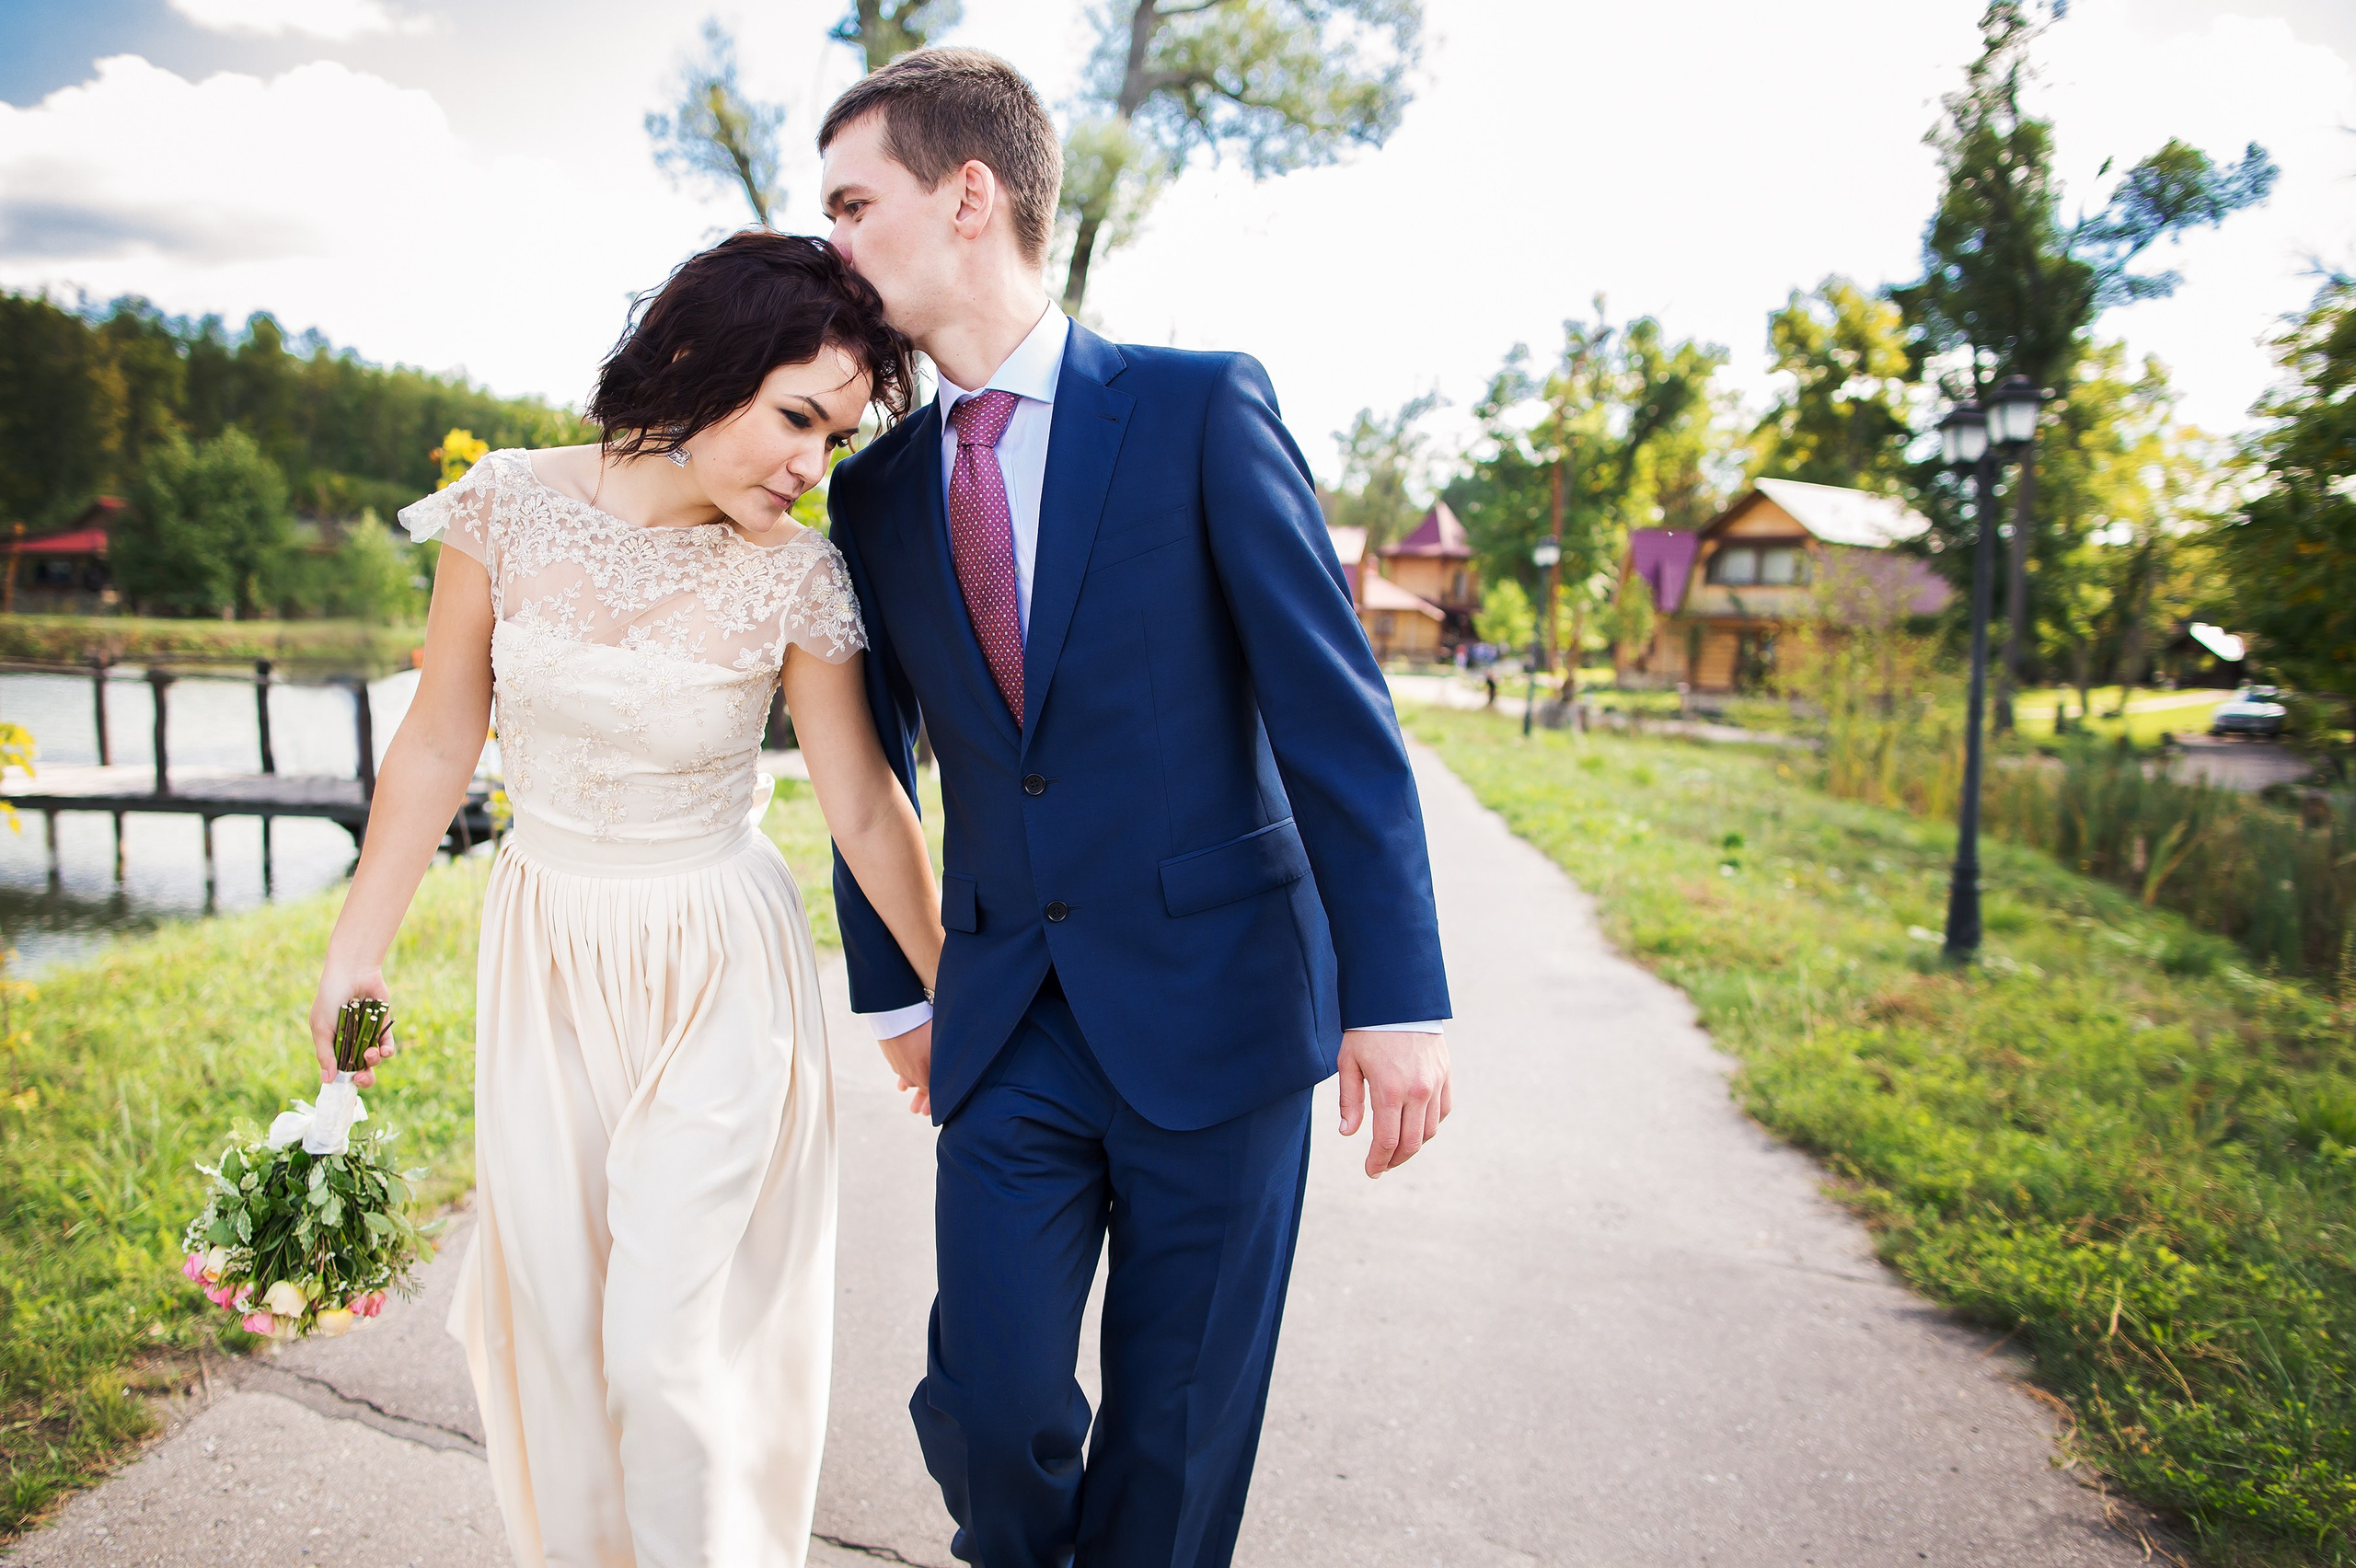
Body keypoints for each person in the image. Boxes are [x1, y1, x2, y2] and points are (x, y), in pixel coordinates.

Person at [817, 49, 1454, 1568]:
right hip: (1008, 1019)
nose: (830, 241)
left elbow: (1333, 719)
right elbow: (868, 757)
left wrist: (1402, 993)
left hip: (1222, 1008)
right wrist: (899, 991)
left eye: (855, 203)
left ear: (969, 197)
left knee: (1175, 1442)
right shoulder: (877, 489)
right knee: (991, 1402)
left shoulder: (1196, 410)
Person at [305, 233, 942, 1568]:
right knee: (564, 1332)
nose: (807, 467)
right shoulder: (504, 508)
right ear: (699, 360)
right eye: (795, 419)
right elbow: (436, 738)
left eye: (831, 439)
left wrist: (958, 985)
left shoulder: (795, 573)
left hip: (717, 967)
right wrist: (356, 950)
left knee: (664, 1353)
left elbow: (865, 807)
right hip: (546, 957)